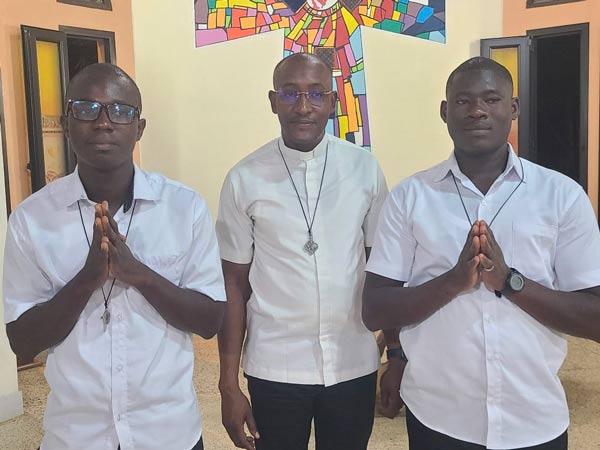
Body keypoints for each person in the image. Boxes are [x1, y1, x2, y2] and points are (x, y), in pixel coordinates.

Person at [362, 56, 600, 450]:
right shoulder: (410, 197)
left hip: (534, 418)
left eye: (491, 99)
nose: (477, 111)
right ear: (444, 111)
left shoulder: (562, 196)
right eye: (463, 101)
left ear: (513, 108)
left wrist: (509, 281)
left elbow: (595, 318)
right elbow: (375, 309)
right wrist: (454, 282)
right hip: (439, 418)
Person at [3, 63, 226, 450]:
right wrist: (86, 280)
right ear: (66, 123)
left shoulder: (184, 208)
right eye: (86, 109)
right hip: (75, 436)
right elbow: (23, 341)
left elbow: (209, 321)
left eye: (121, 111)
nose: (103, 123)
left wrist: (139, 274)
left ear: (139, 128)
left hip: (169, 433)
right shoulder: (31, 220)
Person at [216, 52, 388, 450]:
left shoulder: (364, 170)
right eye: (290, 94)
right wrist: (228, 384)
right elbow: (233, 285)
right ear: (273, 101)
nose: (304, 106)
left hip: (352, 359)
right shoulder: (244, 179)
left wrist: (393, 352)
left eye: (316, 93)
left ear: (333, 101)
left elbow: (383, 270)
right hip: (276, 363)